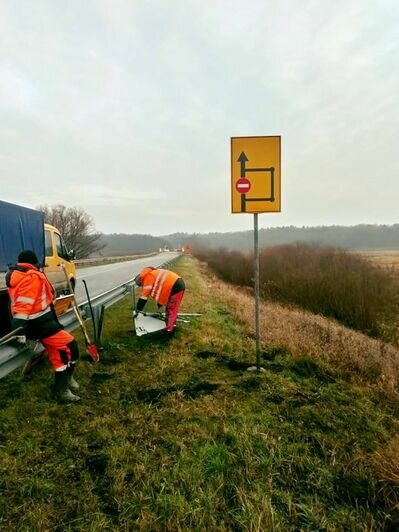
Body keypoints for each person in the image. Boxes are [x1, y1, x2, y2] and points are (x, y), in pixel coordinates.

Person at [6, 250, 81, 402]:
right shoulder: (32, 277)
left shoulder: (21, 275)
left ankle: (65, 382)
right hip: (39, 325)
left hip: (43, 322)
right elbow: (22, 307)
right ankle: (61, 391)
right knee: (68, 348)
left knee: (66, 351)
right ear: (34, 263)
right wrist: (20, 332)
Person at [134, 266, 185, 334]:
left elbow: (144, 298)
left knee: (172, 309)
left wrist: (137, 310)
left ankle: (169, 331)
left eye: (141, 285)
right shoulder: (151, 274)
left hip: (175, 286)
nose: (142, 286)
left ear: (140, 282)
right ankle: (171, 325)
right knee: (171, 308)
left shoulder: (147, 278)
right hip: (176, 283)